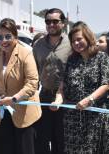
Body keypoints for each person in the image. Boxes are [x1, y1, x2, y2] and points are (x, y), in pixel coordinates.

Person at [51, 22, 109, 154]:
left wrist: (89, 99)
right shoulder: (71, 60)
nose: (76, 43)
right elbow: (62, 88)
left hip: (96, 118)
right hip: (73, 119)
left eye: (79, 39)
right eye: (73, 41)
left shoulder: (101, 57)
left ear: (88, 37)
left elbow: (106, 84)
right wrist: (57, 101)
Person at [0, 18, 41, 154]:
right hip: (1, 113)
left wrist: (14, 98)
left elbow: (33, 82)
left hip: (23, 114)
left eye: (8, 36)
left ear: (15, 36)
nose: (4, 40)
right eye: (0, 37)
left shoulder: (26, 53)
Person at [32, 8, 71, 154]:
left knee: (61, 141)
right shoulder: (38, 45)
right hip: (44, 97)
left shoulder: (71, 43)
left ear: (63, 23)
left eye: (55, 21)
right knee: (41, 139)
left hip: (67, 98)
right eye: (48, 21)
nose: (51, 24)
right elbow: (33, 72)